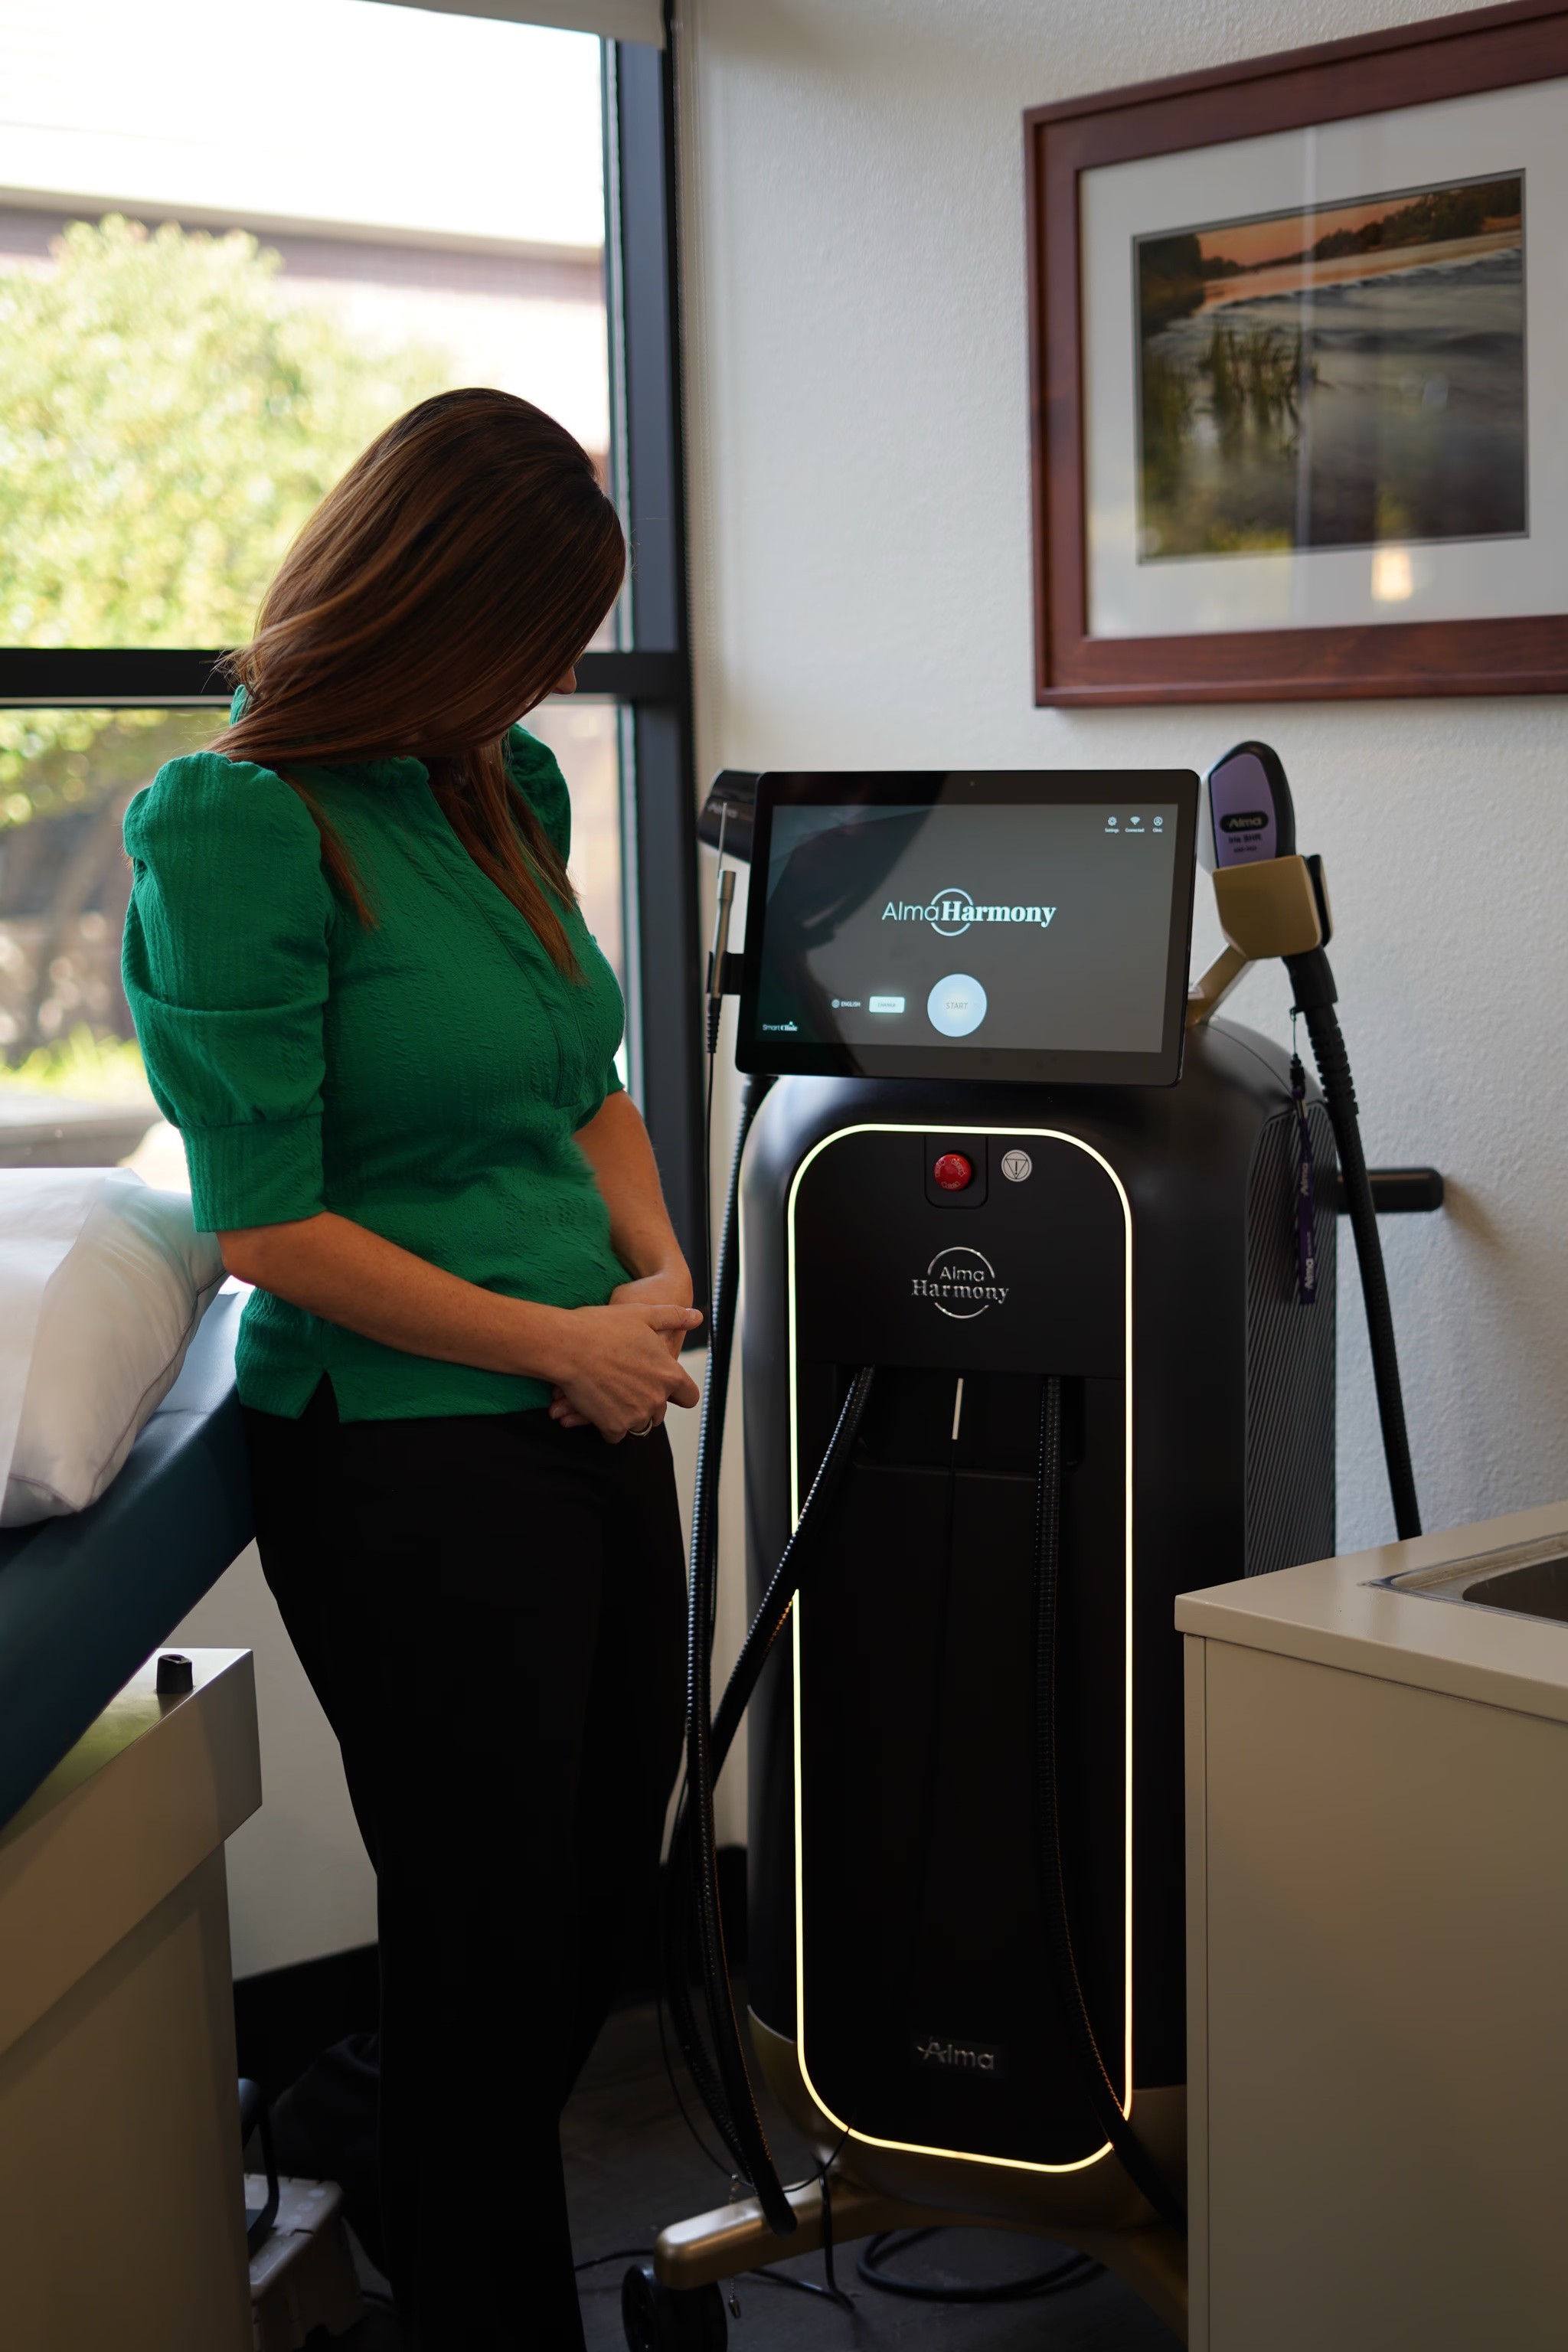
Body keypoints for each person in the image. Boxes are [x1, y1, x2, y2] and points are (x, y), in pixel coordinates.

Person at [122, 388, 699, 2348]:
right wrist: (567, 1341)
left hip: (586, 1396)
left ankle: (357, 2128)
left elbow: (579, 1085)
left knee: (595, 1906)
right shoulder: (239, 825)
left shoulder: (491, 787)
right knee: (485, 1940)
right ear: (433, 603)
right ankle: (477, 2294)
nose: (555, 676)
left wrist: (656, 1267)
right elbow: (267, 1223)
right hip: (406, 1464)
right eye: (538, 630)